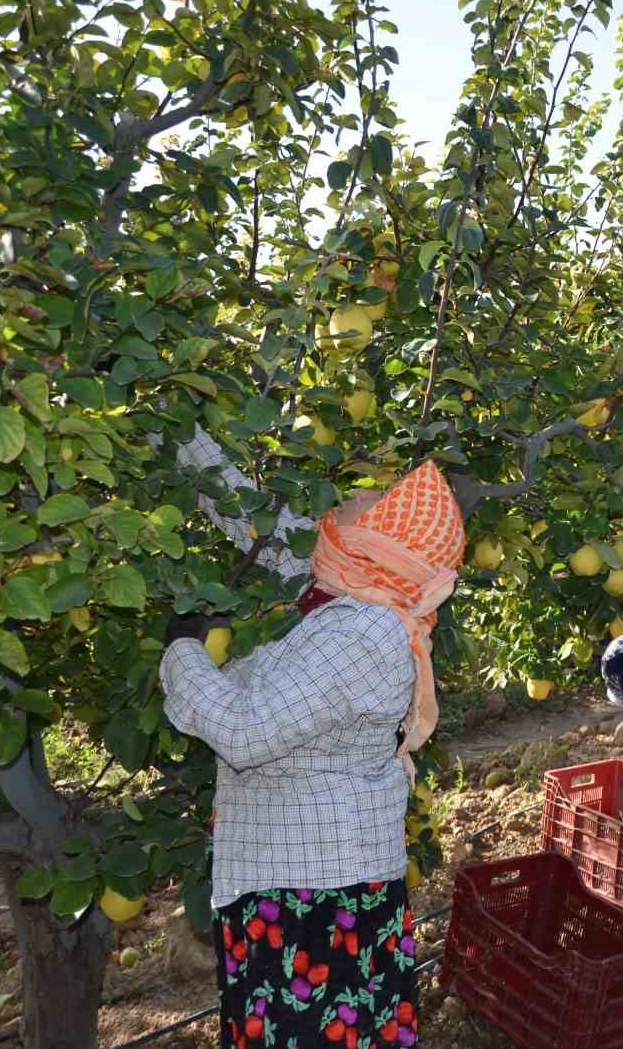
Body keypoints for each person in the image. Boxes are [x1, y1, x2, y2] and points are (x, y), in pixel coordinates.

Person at [159, 427, 461, 1049]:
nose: (355, 497)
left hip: (314, 902)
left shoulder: (364, 632)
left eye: (371, 502)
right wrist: (176, 428)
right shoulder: (343, 583)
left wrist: (182, 651)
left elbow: (245, 731)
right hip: (307, 884)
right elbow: (261, 522)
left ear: (376, 543)